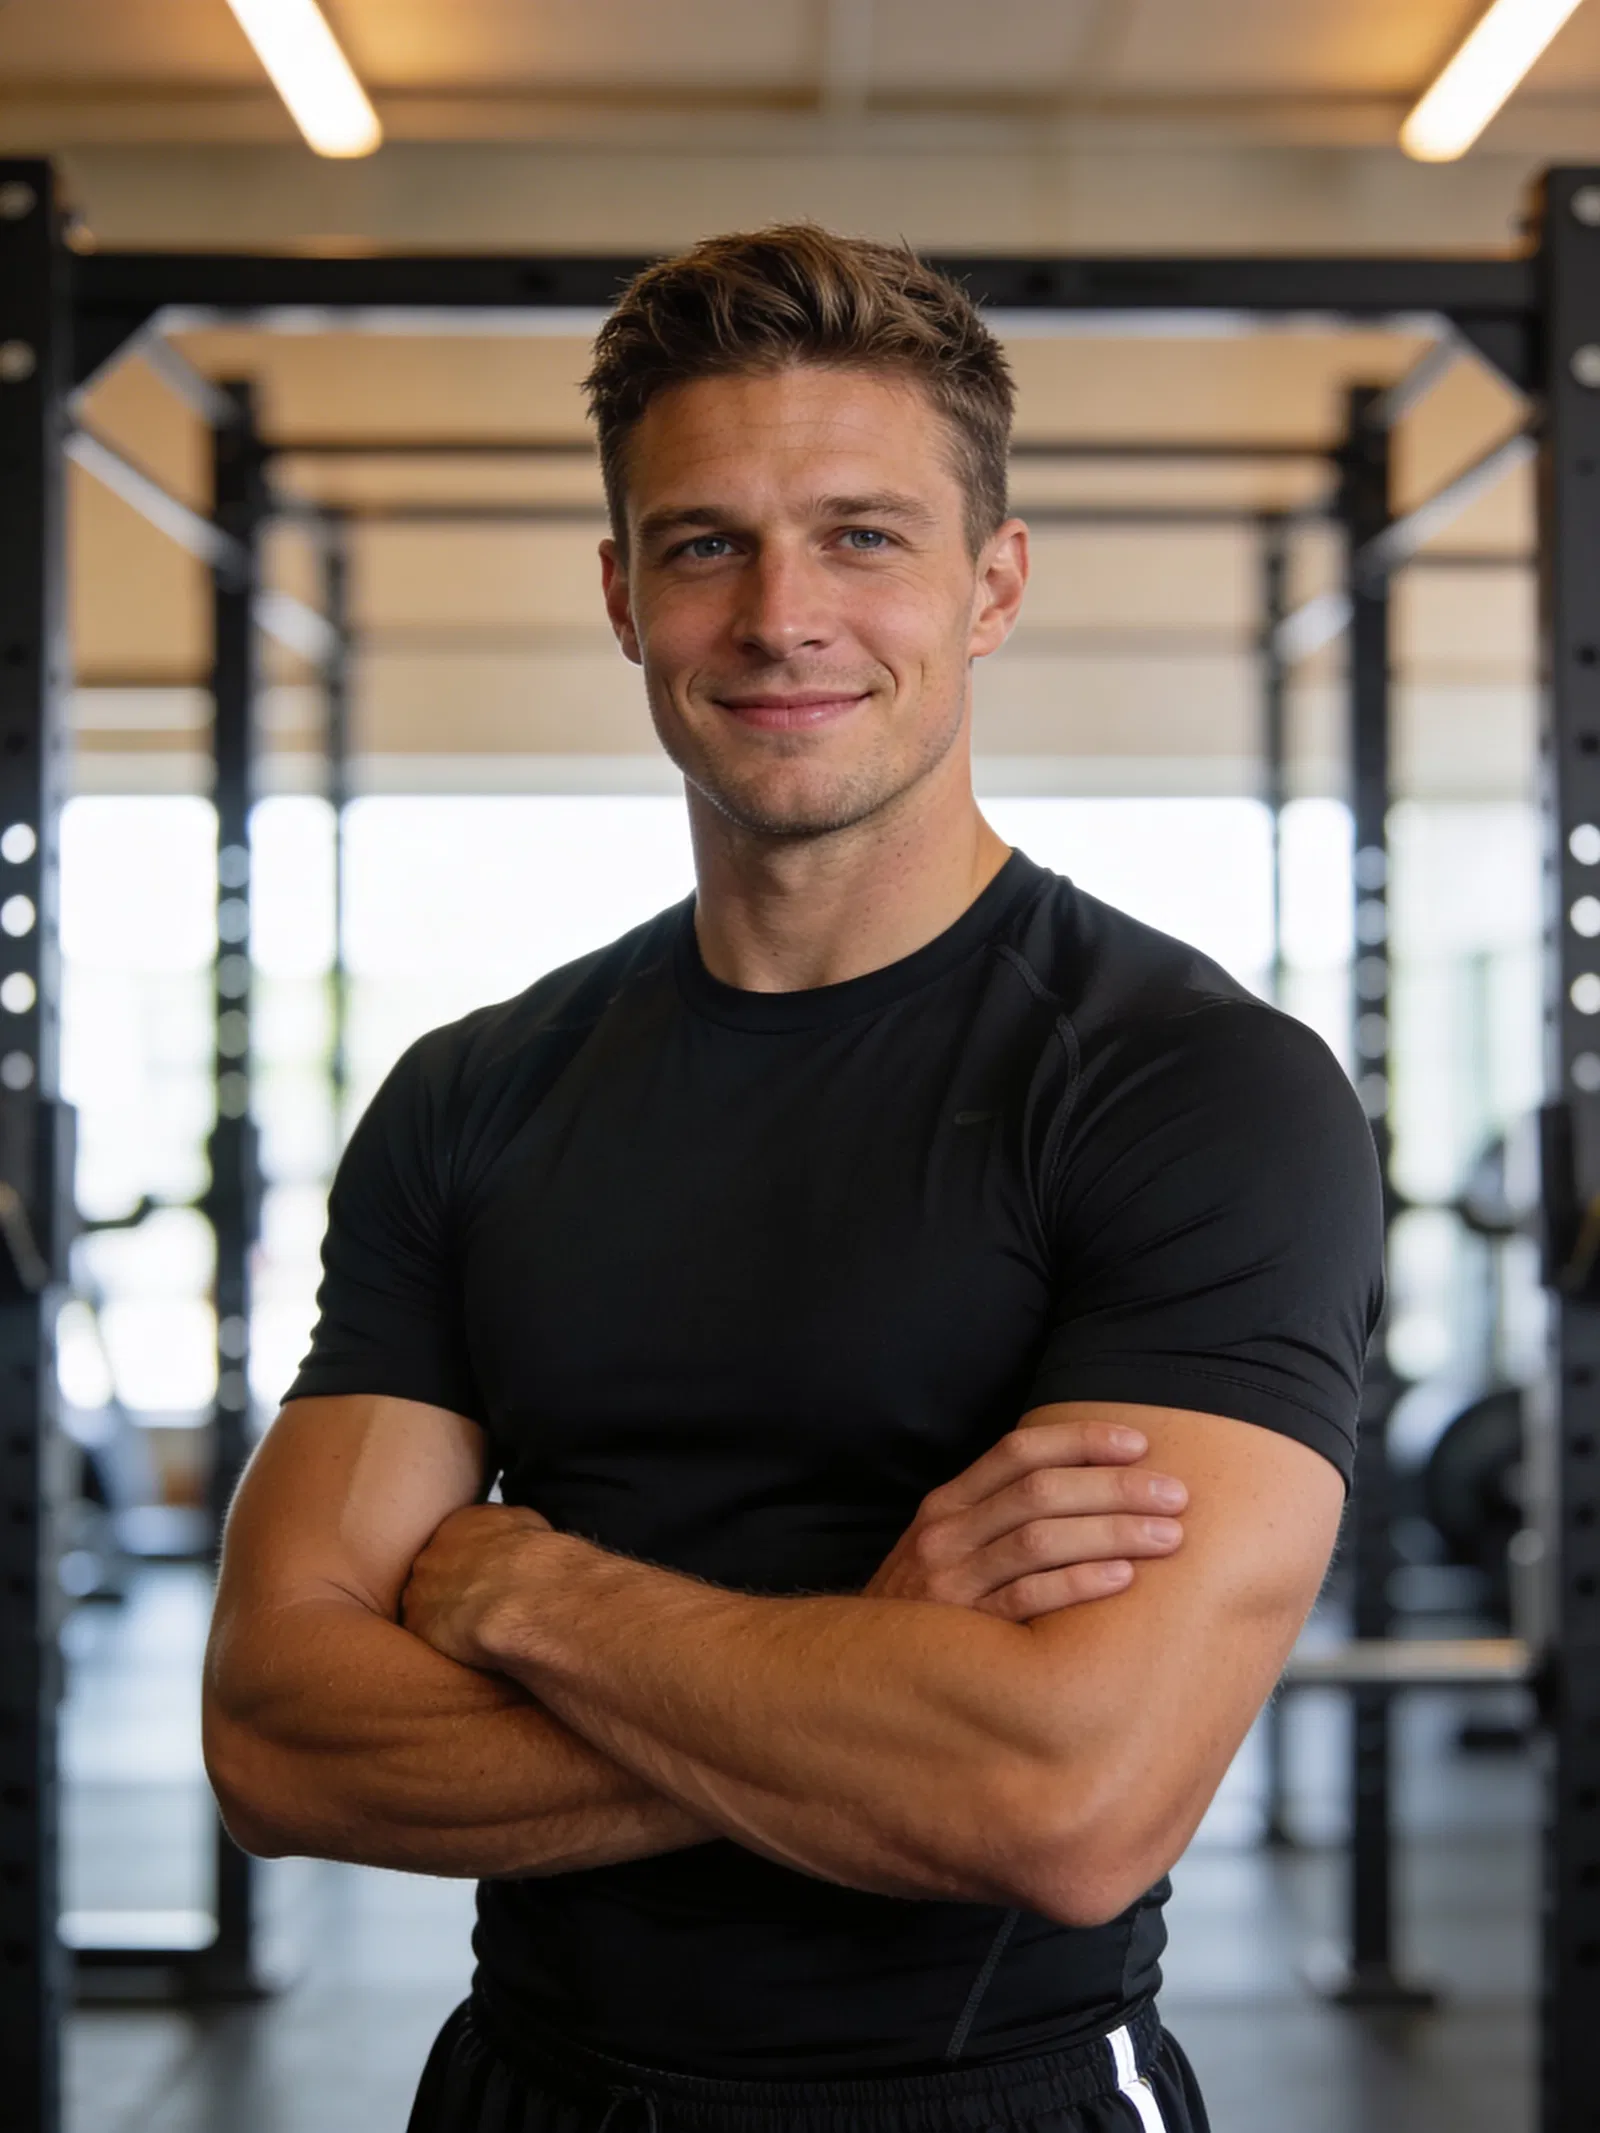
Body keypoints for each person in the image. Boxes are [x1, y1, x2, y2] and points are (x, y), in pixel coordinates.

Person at [202, 226, 1384, 2133]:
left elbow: (1063, 1802)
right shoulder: (472, 1095)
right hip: (526, 2093)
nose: (779, 616)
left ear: (992, 584)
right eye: (704, 544)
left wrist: (523, 1596)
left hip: (987, 2097)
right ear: (620, 593)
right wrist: (881, 1660)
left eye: (862, 535)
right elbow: (274, 1740)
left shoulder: (1197, 1091)